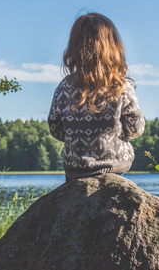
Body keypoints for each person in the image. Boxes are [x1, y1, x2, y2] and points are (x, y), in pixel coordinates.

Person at [48, 13, 145, 181]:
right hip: (115, 165)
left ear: (74, 46)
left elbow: (55, 129)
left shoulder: (64, 87)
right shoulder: (121, 86)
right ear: (113, 46)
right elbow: (136, 129)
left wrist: (76, 136)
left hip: (75, 168)